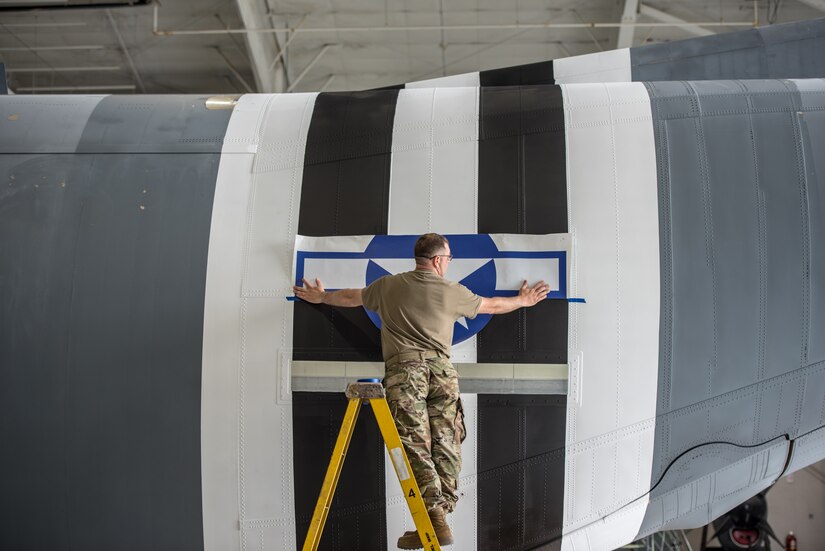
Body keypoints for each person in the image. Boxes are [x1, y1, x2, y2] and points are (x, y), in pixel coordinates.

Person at [292, 233, 549, 549]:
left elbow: (351, 297)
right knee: (447, 439)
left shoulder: (388, 286)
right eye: (449, 258)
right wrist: (525, 300)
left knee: (415, 443)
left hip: (405, 372)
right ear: (439, 260)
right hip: (442, 373)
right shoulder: (452, 291)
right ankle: (440, 513)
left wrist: (321, 297)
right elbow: (492, 305)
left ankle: (433, 516)